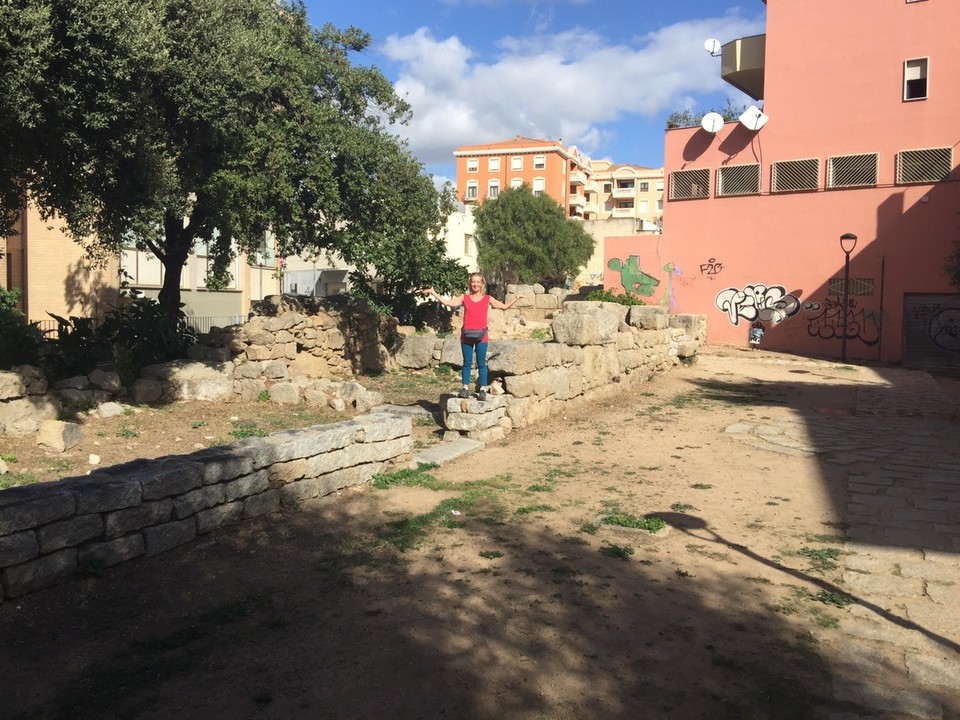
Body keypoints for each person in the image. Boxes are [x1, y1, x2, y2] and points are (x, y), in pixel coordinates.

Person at [423, 273, 525, 401]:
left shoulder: (488, 298)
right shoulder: (464, 298)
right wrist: (433, 292)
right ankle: (465, 388)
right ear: (470, 283)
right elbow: (448, 303)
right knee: (467, 363)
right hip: (466, 335)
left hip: (482, 336)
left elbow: (504, 307)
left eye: (478, 282)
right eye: (473, 282)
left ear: (482, 284)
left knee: (482, 364)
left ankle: (483, 389)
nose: (475, 284)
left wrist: (516, 298)